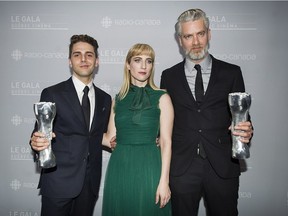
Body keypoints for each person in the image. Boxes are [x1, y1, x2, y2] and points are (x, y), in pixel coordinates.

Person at [160, 9, 254, 216]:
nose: (195, 42)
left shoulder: (232, 72)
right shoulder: (168, 76)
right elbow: (164, 121)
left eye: (200, 33)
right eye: (188, 36)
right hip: (182, 166)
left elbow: (242, 116)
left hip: (222, 165)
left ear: (209, 34)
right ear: (180, 40)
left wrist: (248, 130)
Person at [30, 34, 112, 216]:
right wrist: (36, 143)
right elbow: (39, 133)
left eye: (89, 55)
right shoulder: (52, 93)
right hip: (58, 181)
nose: (83, 59)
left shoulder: (105, 99)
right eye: (77, 54)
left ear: (96, 61)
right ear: (69, 61)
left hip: (89, 184)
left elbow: (101, 136)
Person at [101, 43, 174, 216]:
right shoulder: (117, 100)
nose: (143, 66)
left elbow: (166, 142)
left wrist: (164, 181)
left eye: (149, 61)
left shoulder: (162, 97)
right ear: (128, 64)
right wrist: (80, 131)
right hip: (120, 166)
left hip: (150, 166)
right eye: (137, 60)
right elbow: (110, 137)